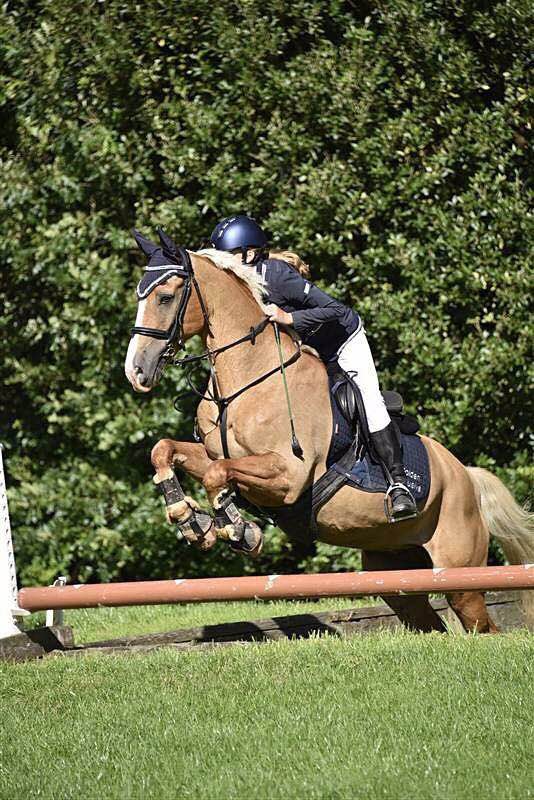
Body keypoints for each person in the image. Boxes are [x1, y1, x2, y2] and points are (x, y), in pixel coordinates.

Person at [208, 214, 417, 522]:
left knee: (368, 400)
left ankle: (398, 484)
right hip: (308, 350)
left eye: (228, 258)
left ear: (250, 253)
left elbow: (337, 310)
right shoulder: (239, 285)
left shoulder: (277, 275)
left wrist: (289, 318)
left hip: (343, 341)